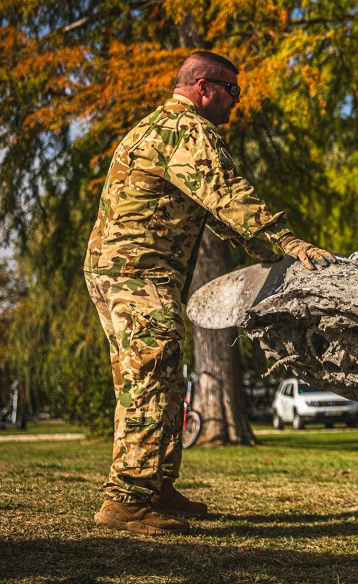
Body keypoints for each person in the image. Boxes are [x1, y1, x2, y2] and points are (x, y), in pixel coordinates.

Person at [84, 51, 335, 535]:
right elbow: (228, 196)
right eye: (231, 92)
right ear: (204, 86)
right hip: (137, 272)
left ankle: (156, 485)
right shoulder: (186, 130)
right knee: (151, 373)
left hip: (128, 272)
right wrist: (288, 244)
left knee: (166, 376)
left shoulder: (153, 128)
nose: (235, 104)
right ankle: (127, 499)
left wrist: (264, 251)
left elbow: (218, 212)